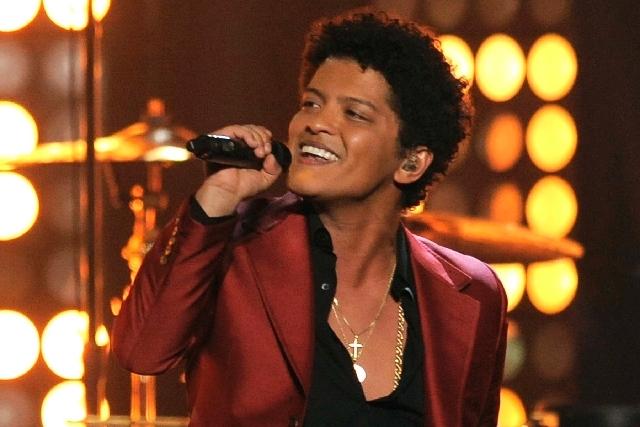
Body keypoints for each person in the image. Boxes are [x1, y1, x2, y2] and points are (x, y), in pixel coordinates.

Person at [112, 7, 507, 427]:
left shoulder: (472, 293)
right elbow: (141, 352)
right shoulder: (234, 247)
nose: (316, 123)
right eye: (311, 103)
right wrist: (215, 200)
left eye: (354, 114)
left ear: (411, 162)